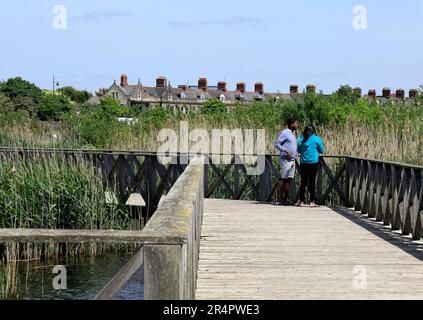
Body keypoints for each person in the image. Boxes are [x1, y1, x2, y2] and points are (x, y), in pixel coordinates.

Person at [297, 124, 325, 207]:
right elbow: (322, 150)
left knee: (303, 182)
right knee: (312, 182)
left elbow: (298, 150)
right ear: (313, 131)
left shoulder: (301, 139)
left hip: (303, 163)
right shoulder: (316, 139)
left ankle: (301, 201)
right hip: (313, 163)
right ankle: (311, 202)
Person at [274, 118, 299, 205]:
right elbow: (277, 144)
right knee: (284, 178)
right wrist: (285, 151)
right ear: (291, 124)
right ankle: (281, 199)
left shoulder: (293, 133)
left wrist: (296, 152)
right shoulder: (285, 133)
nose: (297, 125)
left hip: (292, 159)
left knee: (289, 179)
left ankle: (286, 199)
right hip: (285, 159)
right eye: (296, 123)